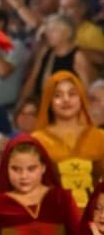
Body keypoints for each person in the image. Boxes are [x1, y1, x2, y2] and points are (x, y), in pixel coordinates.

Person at [34, 72, 104, 209]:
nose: (66, 100)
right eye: (58, 95)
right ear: (49, 101)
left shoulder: (100, 137)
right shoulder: (38, 140)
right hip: (54, 216)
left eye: (72, 94)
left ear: (81, 98)